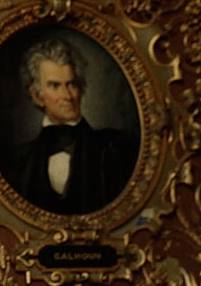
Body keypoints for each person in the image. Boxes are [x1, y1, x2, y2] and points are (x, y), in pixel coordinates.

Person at [8, 37, 138, 215]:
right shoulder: (19, 160)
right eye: (55, 86)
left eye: (72, 84)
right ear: (37, 95)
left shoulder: (115, 148)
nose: (67, 95)